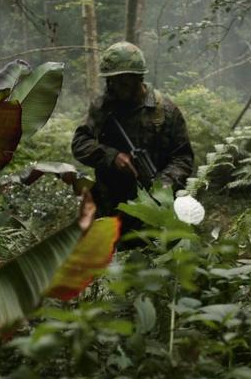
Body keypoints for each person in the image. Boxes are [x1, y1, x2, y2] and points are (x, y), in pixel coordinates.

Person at [71, 41, 194, 235]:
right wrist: (111, 156)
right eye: (110, 80)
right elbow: (80, 144)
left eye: (121, 81)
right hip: (109, 208)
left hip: (153, 210)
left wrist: (162, 186)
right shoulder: (103, 107)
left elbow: (183, 157)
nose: (114, 86)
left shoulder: (165, 112)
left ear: (137, 78)